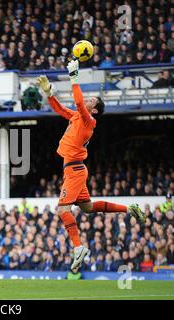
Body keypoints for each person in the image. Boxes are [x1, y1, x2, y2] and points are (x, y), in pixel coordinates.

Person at [37, 60, 146, 272]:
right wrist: (48, 92)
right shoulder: (79, 116)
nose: (88, 100)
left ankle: (78, 248)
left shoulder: (89, 121)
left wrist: (74, 77)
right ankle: (129, 209)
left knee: (62, 210)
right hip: (75, 168)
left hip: (75, 169)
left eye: (92, 100)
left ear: (94, 111)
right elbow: (60, 109)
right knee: (87, 208)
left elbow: (78, 102)